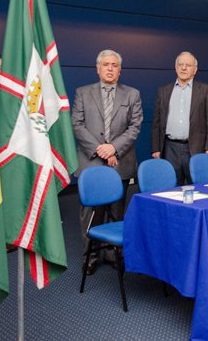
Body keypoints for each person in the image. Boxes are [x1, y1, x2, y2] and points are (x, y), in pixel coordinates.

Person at [71, 49, 143, 275]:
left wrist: (113, 148)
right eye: (106, 64)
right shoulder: (83, 93)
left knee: (116, 211)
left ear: (120, 70)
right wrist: (101, 150)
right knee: (91, 214)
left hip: (120, 162)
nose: (110, 68)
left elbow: (135, 127)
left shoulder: (132, 94)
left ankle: (113, 254)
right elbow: (77, 124)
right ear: (98, 69)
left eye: (114, 65)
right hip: (91, 163)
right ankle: (90, 257)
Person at [151, 51, 208, 185]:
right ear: (176, 68)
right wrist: (155, 148)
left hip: (196, 148)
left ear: (195, 70)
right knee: (171, 189)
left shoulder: (205, 90)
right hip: (169, 149)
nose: (183, 68)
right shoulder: (163, 91)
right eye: (180, 64)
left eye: (188, 65)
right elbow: (156, 123)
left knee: (199, 188)